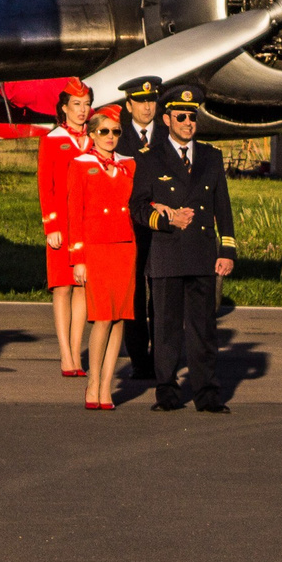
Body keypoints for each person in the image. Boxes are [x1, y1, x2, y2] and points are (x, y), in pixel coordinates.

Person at [127, 83, 235, 413]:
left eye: (192, 116)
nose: (188, 122)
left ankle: (206, 392)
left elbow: (223, 208)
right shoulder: (150, 159)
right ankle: (167, 390)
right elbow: (138, 207)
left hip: (202, 253)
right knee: (166, 328)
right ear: (167, 118)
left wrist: (227, 250)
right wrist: (166, 220)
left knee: (203, 328)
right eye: (181, 116)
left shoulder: (212, 158)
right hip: (166, 252)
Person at [66, 108, 139, 409]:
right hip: (96, 248)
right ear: (92, 134)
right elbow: (74, 213)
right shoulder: (80, 164)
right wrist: (77, 258)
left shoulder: (129, 165)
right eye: (104, 131)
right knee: (102, 317)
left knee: (119, 317)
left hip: (124, 246)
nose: (111, 137)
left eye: (116, 132)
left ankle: (107, 385)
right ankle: (93, 380)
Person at [37, 78, 95, 377]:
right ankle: (66, 354)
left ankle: (77, 350)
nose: (82, 110)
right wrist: (51, 225)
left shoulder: (96, 139)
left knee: (82, 287)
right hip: (62, 225)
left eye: (86, 104)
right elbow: (45, 185)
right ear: (64, 108)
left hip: (88, 226)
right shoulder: (52, 139)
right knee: (61, 288)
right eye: (76, 105)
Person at [115, 74, 166, 380]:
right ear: (129, 104)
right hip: (129, 225)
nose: (147, 108)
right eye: (141, 102)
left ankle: (161, 356)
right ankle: (138, 358)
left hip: (160, 226)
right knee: (134, 293)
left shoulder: (168, 137)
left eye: (151, 101)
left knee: (159, 292)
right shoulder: (119, 138)